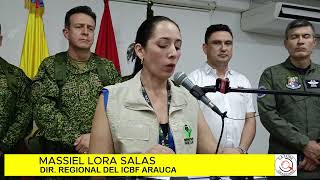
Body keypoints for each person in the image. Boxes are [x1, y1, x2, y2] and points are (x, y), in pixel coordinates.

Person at [89, 16, 227, 155]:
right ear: (140, 50)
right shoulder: (111, 99)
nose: (173, 53)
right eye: (162, 45)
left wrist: (232, 156)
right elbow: (97, 170)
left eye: (177, 46)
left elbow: (213, 153)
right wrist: (143, 164)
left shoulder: (188, 99)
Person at [32, 6, 121, 154]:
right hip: (59, 154)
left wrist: (95, 139)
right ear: (66, 33)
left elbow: (119, 108)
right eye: (79, 27)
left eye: (90, 28)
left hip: (98, 153)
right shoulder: (51, 66)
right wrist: (78, 139)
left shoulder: (107, 67)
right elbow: (43, 110)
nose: (85, 32)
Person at [258, 19, 320, 179]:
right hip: (284, 159)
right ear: (286, 43)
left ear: (314, 42)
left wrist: (317, 150)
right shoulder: (271, 74)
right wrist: (305, 144)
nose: (300, 41)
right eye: (294, 37)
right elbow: (268, 114)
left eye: (306, 36)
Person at [188, 24, 256, 155]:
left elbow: (250, 119)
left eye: (228, 43)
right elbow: (190, 124)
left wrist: (241, 150)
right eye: (217, 43)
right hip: (205, 159)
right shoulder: (193, 81)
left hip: (238, 158)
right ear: (205, 48)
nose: (223, 48)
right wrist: (220, 154)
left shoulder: (242, 80)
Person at [0, 24, 32, 176]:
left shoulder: (15, 76)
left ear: (0, 40)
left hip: (6, 157)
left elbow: (25, 115)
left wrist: (4, 146)